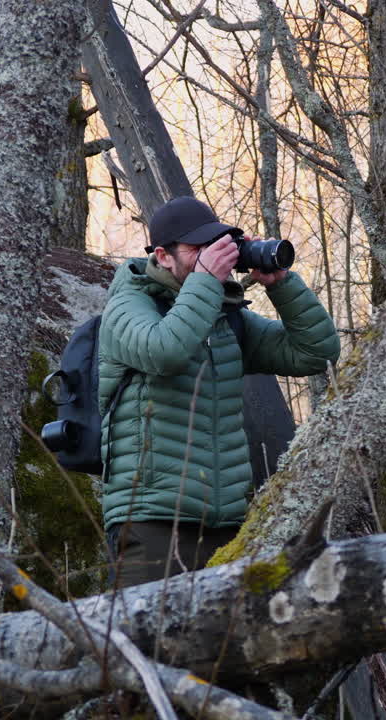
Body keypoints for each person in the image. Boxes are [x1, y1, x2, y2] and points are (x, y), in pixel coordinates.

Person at [98, 196, 339, 588]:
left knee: (227, 647)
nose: (212, 258)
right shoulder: (128, 305)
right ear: (162, 256)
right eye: (197, 250)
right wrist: (207, 282)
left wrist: (283, 286)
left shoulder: (224, 318)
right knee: (154, 645)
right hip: (153, 520)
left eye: (216, 247)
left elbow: (316, 352)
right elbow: (166, 350)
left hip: (227, 523)